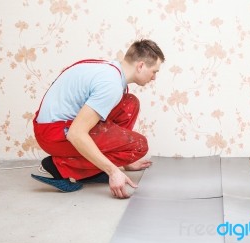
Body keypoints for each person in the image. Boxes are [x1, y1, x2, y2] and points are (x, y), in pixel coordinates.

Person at [32, 39, 165, 199]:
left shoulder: (112, 71)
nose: (154, 78)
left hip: (58, 125)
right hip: (53, 133)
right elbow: (76, 134)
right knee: (138, 146)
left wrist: (125, 161)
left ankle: (91, 171)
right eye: (154, 71)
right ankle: (59, 166)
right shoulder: (111, 85)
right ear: (141, 66)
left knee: (129, 104)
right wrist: (113, 171)